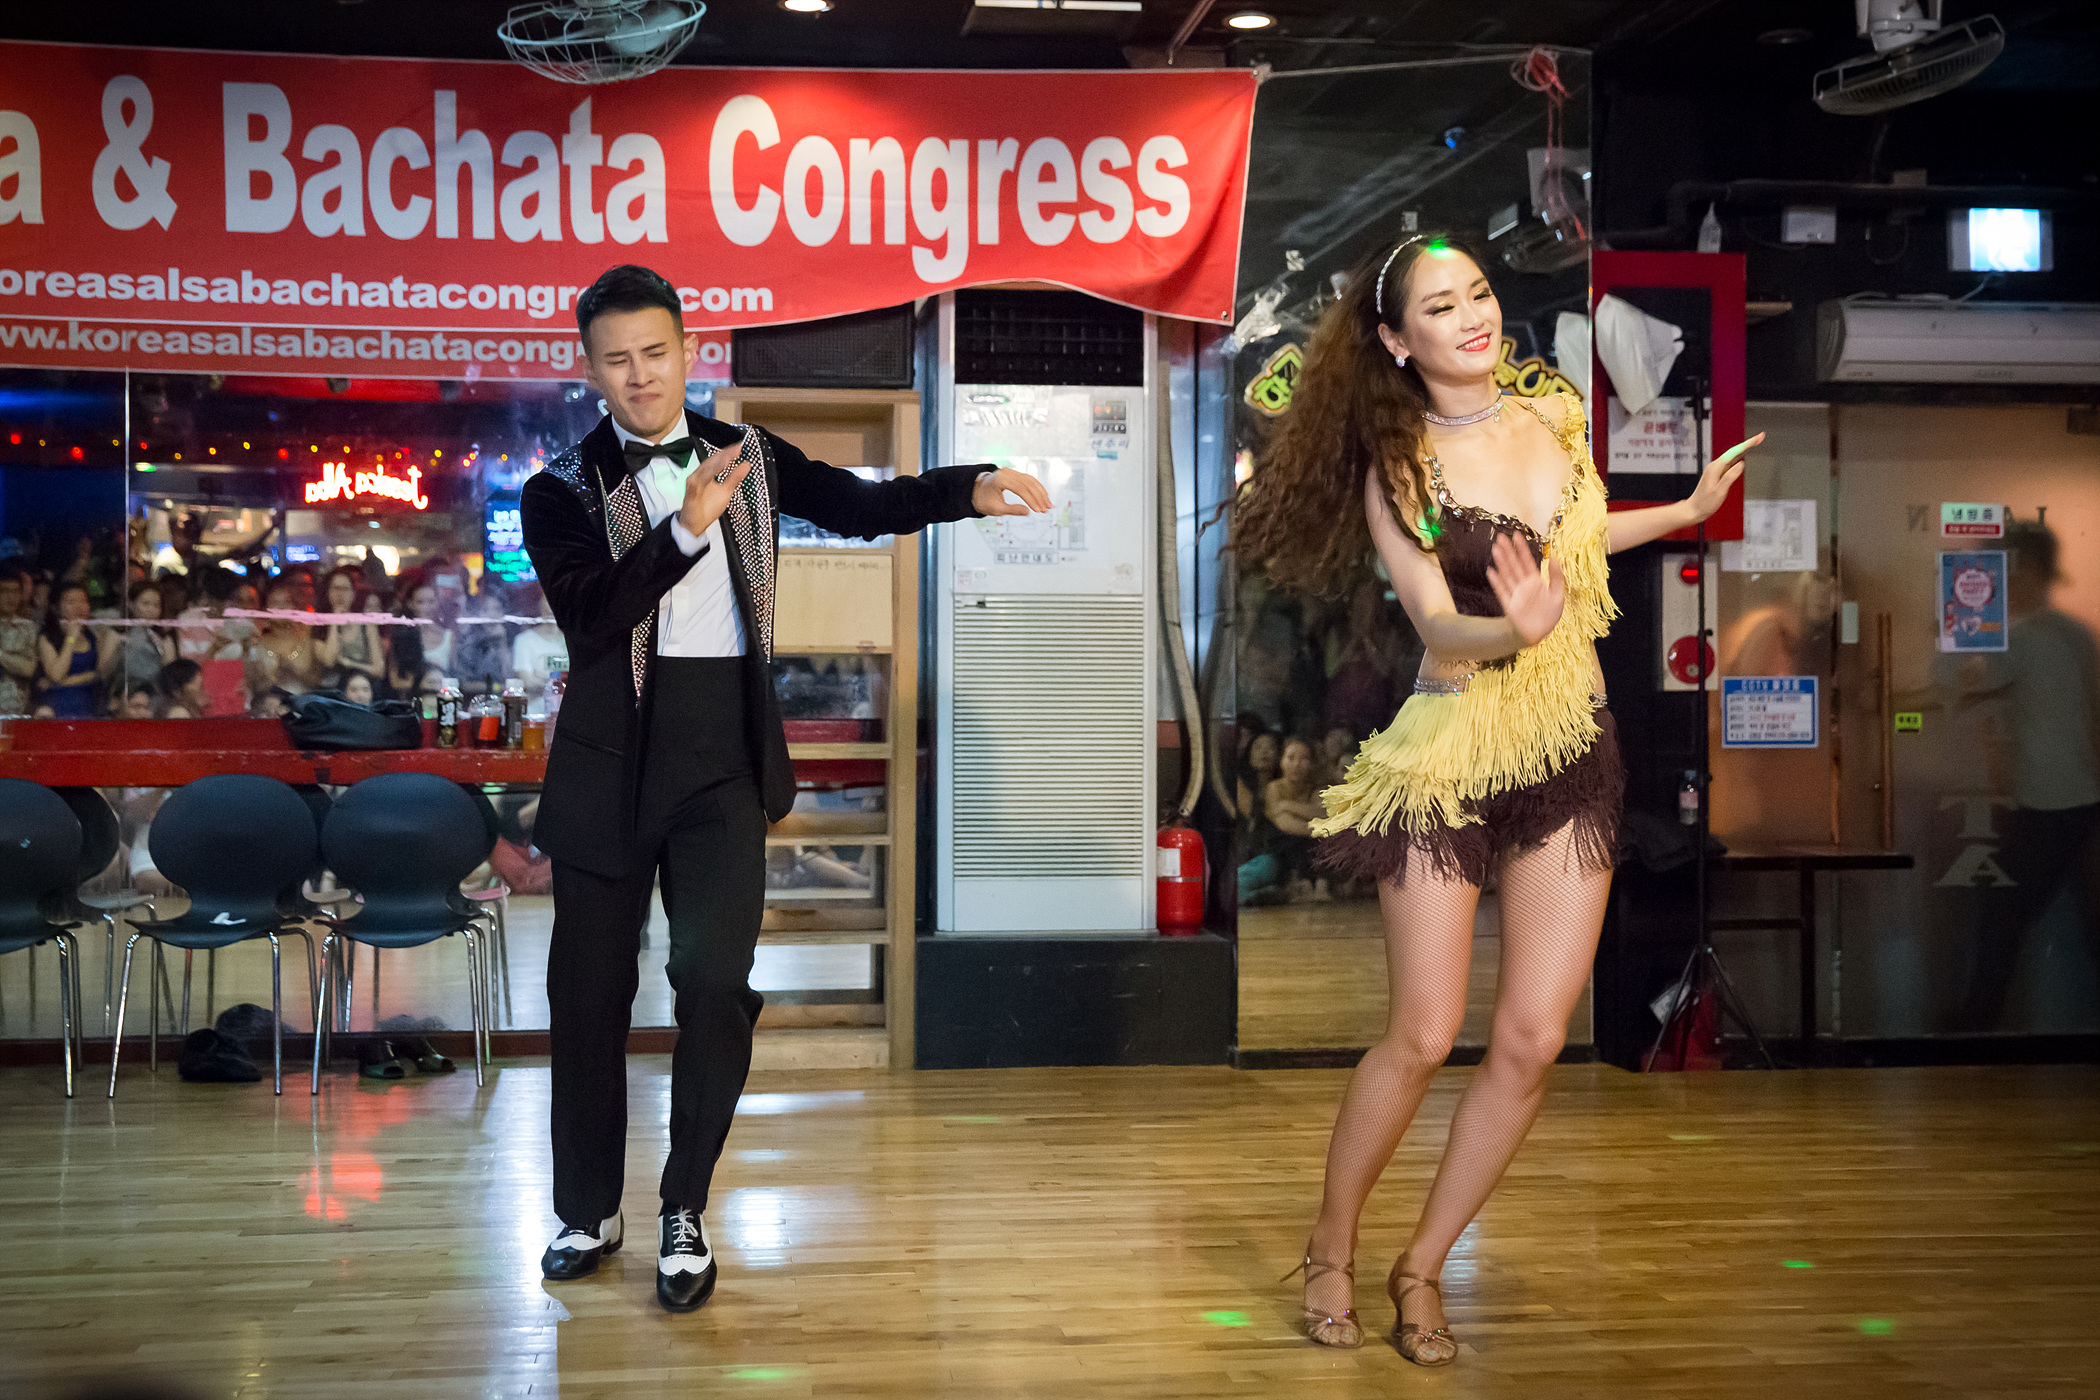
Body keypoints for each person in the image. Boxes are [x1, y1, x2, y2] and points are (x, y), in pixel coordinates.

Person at [1231, 233, 1755, 1363]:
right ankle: (1330, 1244)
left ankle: (1422, 1263)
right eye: (1440, 305)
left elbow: (1580, 539)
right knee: (1424, 1034)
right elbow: (1435, 619)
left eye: (1477, 293)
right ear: (1395, 340)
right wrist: (1508, 630)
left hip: (1571, 748)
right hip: (1450, 756)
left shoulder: (1554, 419)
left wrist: (1684, 508)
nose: (1473, 315)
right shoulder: (1399, 466)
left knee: (1532, 1036)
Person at [521, 263, 1049, 1314]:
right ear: (590, 370)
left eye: (656, 352)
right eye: (617, 360)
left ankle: (684, 1206)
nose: (639, 375)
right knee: (587, 1001)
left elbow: (857, 505)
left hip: (722, 761)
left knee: (715, 984)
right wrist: (683, 531)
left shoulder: (747, 457)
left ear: (688, 351)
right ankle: (587, 1207)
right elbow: (591, 616)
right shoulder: (558, 490)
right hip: (606, 770)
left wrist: (964, 488)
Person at [1944, 520, 2100, 1031]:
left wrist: (1958, 621)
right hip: (2083, 796)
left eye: (2003, 569)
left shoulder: (2019, 638)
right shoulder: (2077, 635)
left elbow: (1961, 683)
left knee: (2003, 910)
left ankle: (1976, 1026)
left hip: (2049, 802)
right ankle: (1977, 1021)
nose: (1999, 580)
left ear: (2026, 569)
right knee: (2078, 916)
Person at [36, 583, 118, 718]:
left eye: (83, 601)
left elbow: (99, 675)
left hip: (90, 706)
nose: (79, 606)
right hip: (57, 706)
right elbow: (56, 675)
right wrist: (70, 639)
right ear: (56, 608)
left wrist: (65, 682)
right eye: (71, 602)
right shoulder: (47, 638)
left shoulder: (95, 636)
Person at [1265, 736, 1330, 901]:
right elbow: (1284, 823)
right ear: (1281, 761)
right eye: (1291, 758)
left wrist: (1286, 805)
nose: (1296, 764)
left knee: (1320, 842)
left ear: (1312, 763)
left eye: (1303, 759)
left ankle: (1321, 885)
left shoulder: (1314, 789)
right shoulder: (1274, 788)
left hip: (1311, 843)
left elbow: (1323, 813)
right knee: (1296, 840)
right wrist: (1320, 827)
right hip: (1281, 846)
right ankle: (1303, 885)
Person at [314, 566, 385, 693]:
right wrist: (334, 621)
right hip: (330, 691)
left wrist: (349, 664)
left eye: (345, 589)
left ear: (353, 593)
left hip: (360, 689)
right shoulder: (319, 625)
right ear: (328, 592)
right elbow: (329, 659)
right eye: (336, 588)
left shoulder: (366, 623)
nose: (340, 594)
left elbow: (379, 669)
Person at [117, 579, 178, 699]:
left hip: (154, 698)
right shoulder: (117, 635)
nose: (152, 610)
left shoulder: (164, 639)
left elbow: (169, 679)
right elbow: (103, 673)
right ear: (131, 604)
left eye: (156, 605)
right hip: (122, 697)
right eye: (145, 604)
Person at [0, 572, 39, 715]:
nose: (10, 597)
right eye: (4, 591)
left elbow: (28, 669)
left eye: (15, 591)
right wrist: (14, 661)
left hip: (17, 709)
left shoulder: (28, 627)